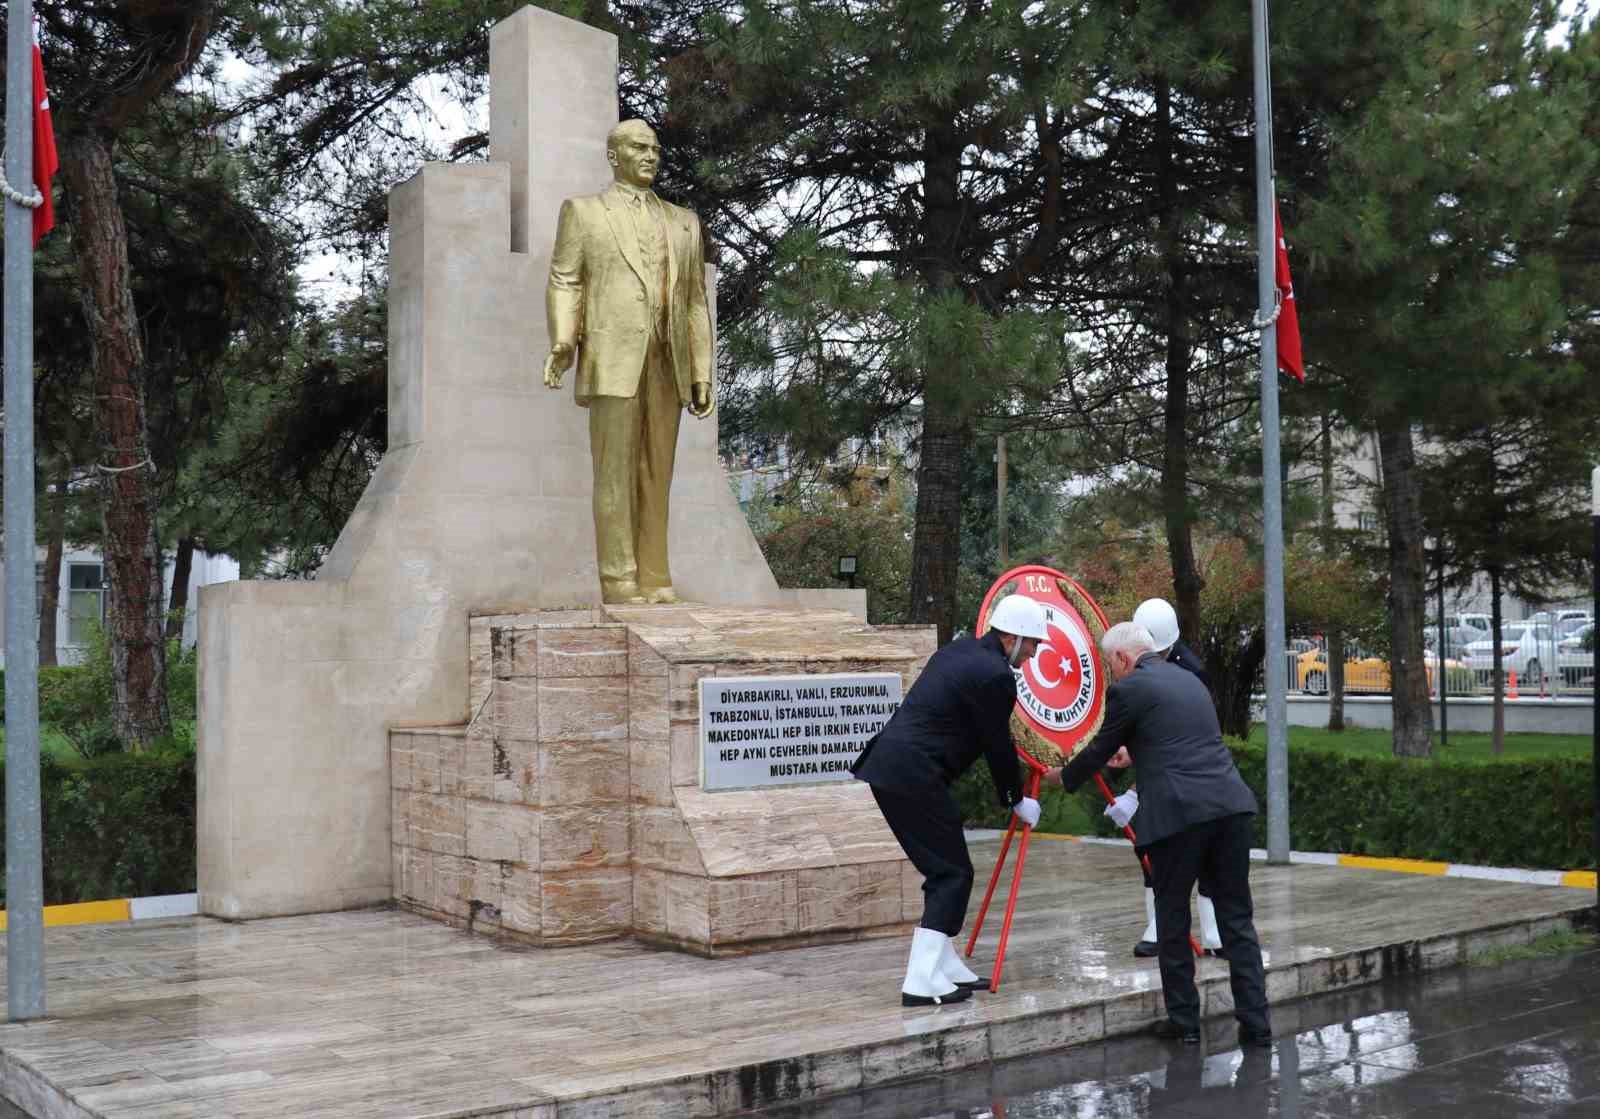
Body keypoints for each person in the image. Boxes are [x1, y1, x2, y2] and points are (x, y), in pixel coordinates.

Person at [1045, 622, 1272, 1046]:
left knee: (1171, 918)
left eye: (1112, 667)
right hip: (1230, 807)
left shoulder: (1128, 690)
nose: (1113, 676)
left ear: (1123, 659)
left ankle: (1185, 1025)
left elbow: (1097, 750)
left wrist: (1065, 777)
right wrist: (1136, 750)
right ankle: (1257, 1027)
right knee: (1237, 921)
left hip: (1179, 818)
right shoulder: (1190, 681)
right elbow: (1183, 740)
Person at [544, 119, 715, 605]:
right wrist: (563, 341)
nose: (651, 156)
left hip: (669, 359)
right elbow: (565, 280)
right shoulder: (584, 212)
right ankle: (618, 580)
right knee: (614, 474)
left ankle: (656, 578)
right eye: (639, 147)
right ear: (613, 155)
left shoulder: (684, 221)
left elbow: (696, 302)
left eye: (656, 149)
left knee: (657, 473)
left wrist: (701, 370)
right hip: (612, 357)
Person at [852, 594, 1047, 1006]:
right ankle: (921, 980)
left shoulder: (959, 650)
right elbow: (998, 745)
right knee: (951, 874)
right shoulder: (996, 675)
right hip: (912, 775)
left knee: (948, 868)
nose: (1033, 654)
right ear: (1011, 636)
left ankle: (944, 963)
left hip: (895, 769)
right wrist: (1015, 799)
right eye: (1032, 643)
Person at [1124, 597, 1222, 959]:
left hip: (1191, 774)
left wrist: (1133, 786)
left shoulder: (1190, 672)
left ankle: (1214, 932)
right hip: (1160, 774)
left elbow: (1179, 733)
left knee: (1204, 854)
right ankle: (1157, 926)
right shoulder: (1145, 666)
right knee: (1150, 847)